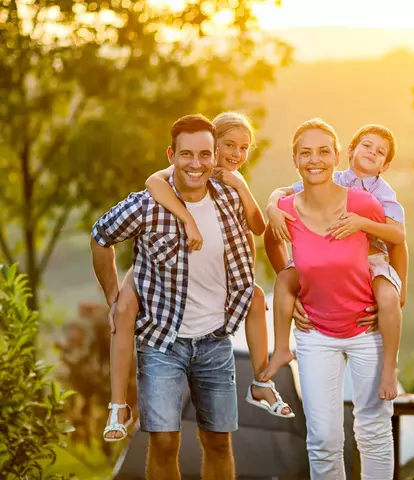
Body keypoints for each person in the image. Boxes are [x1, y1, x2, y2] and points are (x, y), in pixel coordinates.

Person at [101, 112, 293, 443]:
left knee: (256, 298)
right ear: (213, 144)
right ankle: (117, 404)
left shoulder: (229, 185)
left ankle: (262, 383)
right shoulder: (183, 169)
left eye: (244, 148)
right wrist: (187, 220)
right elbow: (153, 183)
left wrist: (244, 187)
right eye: (229, 145)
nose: (236, 155)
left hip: (208, 287)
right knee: (123, 310)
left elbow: (257, 228)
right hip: (152, 267)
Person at [91, 114, 252, 479]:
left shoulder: (229, 199)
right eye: (187, 154)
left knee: (218, 442)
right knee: (164, 443)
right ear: (172, 155)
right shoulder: (146, 206)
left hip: (215, 341)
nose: (196, 164)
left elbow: (253, 238)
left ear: (214, 157)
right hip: (161, 343)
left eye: (205, 155)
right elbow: (100, 237)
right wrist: (115, 297)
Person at [263, 118, 394, 478]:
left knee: (373, 430)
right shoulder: (286, 210)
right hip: (315, 335)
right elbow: (271, 243)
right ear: (295, 160)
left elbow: (397, 243)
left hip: (367, 332)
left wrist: (397, 295)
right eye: (305, 153)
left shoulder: (363, 203)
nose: (314, 159)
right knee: (322, 438)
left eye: (323, 151)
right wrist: (290, 285)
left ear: (337, 157)